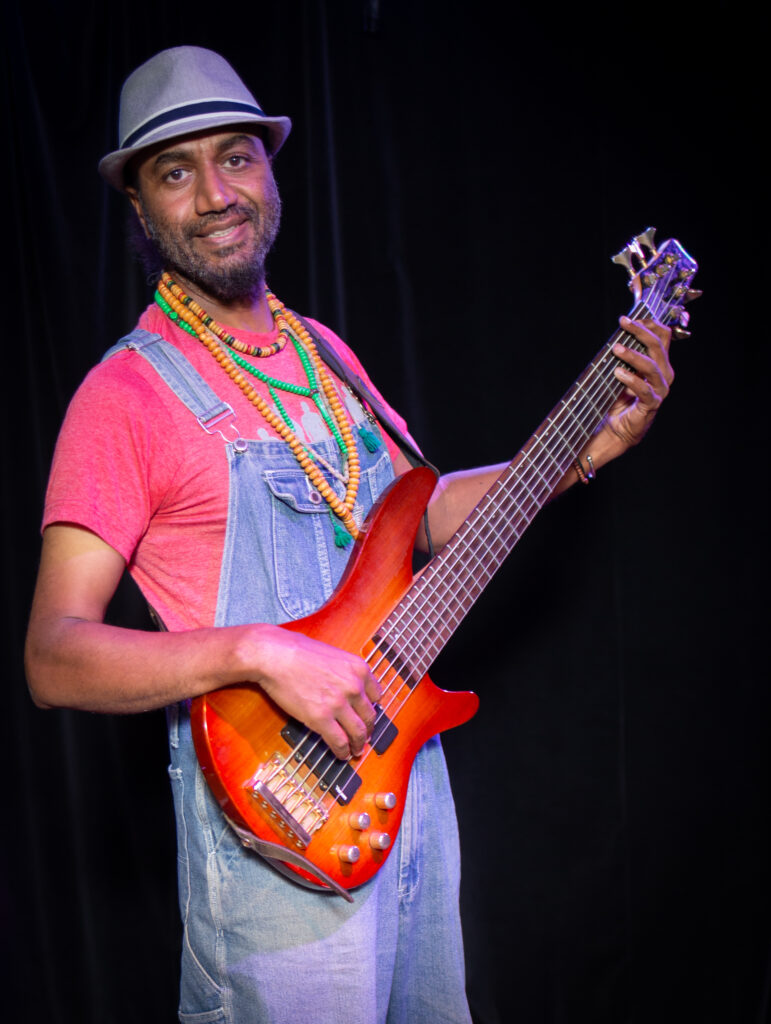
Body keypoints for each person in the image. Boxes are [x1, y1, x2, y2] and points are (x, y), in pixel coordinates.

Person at [24, 46, 675, 1024]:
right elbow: (55, 656)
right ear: (138, 208)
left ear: (271, 172)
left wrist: (589, 444)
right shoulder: (125, 396)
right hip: (274, 832)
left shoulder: (320, 350)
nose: (214, 193)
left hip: (400, 793)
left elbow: (419, 517)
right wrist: (257, 651)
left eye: (236, 158)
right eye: (175, 171)